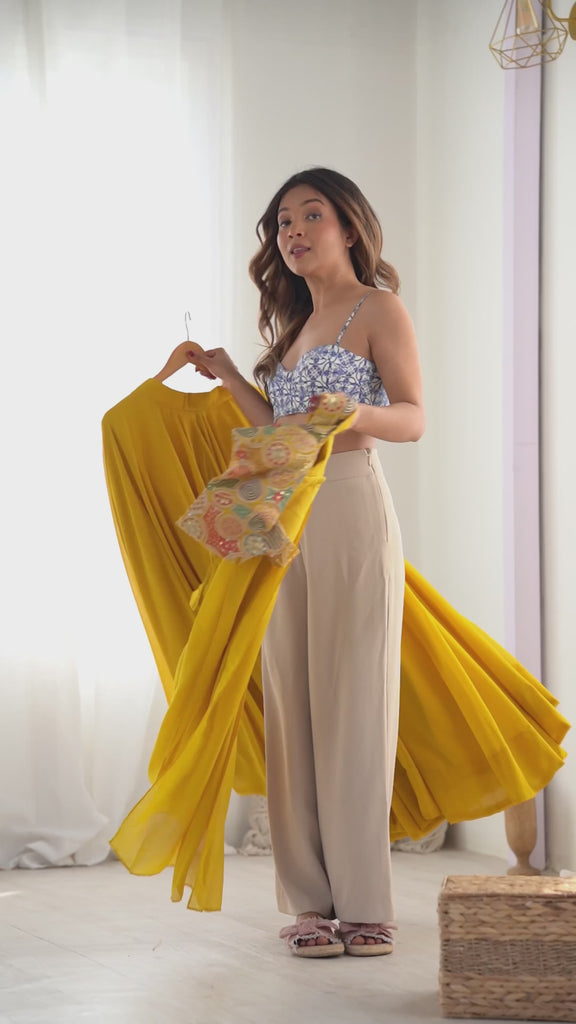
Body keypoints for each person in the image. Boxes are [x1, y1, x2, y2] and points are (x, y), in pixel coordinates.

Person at [188, 167, 425, 958]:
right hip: (280, 511)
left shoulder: (376, 309)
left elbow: (414, 417)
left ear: (348, 227)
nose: (292, 231)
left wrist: (358, 411)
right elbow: (281, 435)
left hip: (351, 503)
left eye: (309, 215)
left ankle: (365, 904)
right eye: (282, 221)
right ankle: (308, 903)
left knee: (356, 703)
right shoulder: (295, 327)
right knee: (291, 707)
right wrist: (229, 374)